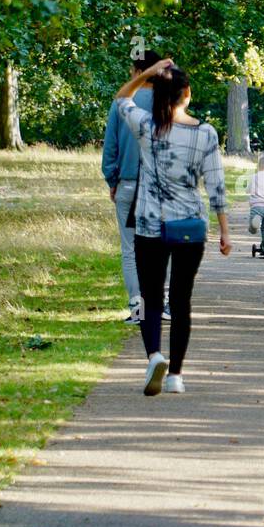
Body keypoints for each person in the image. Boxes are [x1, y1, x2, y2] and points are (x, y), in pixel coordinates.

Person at [116, 58, 231, 395]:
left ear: (156, 96)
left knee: (151, 297)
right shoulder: (205, 133)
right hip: (190, 227)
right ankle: (176, 376)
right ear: (188, 95)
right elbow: (216, 185)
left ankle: (154, 355)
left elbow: (121, 99)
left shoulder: (146, 127)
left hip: (150, 225)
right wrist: (224, 231)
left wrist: (147, 75)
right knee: (181, 300)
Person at [102, 48, 161, 322]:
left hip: (128, 183)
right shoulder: (168, 102)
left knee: (130, 249)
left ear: (139, 72)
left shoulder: (121, 103)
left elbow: (110, 148)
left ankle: (138, 306)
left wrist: (112, 179)